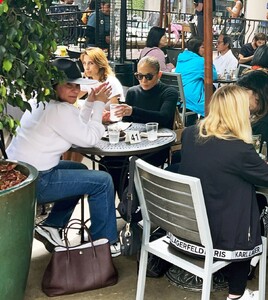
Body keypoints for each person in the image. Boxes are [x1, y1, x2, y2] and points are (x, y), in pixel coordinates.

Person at [6, 58, 120, 257]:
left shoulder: (41, 102)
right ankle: (105, 243)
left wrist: (91, 102)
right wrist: (100, 105)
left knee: (81, 171)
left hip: (23, 175)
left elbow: (76, 126)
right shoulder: (59, 110)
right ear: (54, 84)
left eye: (77, 85)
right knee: (102, 181)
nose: (75, 90)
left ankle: (53, 225)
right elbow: (90, 137)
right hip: (38, 181)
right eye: (69, 84)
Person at [169, 85, 268, 300]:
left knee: (243, 194)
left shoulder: (190, 133)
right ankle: (236, 294)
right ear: (238, 112)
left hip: (184, 231)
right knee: (249, 201)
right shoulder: (239, 148)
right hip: (219, 240)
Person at [100, 56, 178, 198]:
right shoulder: (133, 92)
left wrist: (133, 110)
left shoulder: (169, 92)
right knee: (107, 163)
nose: (143, 81)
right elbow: (127, 123)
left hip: (156, 147)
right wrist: (112, 120)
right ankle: (124, 203)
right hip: (132, 145)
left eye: (148, 77)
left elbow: (164, 117)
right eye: (139, 76)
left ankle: (130, 204)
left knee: (129, 166)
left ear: (159, 75)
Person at [175, 37, 217, 123]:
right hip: (192, 99)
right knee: (215, 101)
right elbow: (213, 76)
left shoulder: (181, 59)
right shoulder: (200, 61)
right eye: (203, 47)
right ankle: (206, 126)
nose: (205, 49)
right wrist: (208, 60)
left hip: (180, 98)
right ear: (196, 48)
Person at [79, 47, 125, 116]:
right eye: (84, 63)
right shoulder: (88, 80)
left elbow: (116, 112)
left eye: (91, 63)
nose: (86, 68)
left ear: (99, 64)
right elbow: (75, 96)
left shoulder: (111, 82)